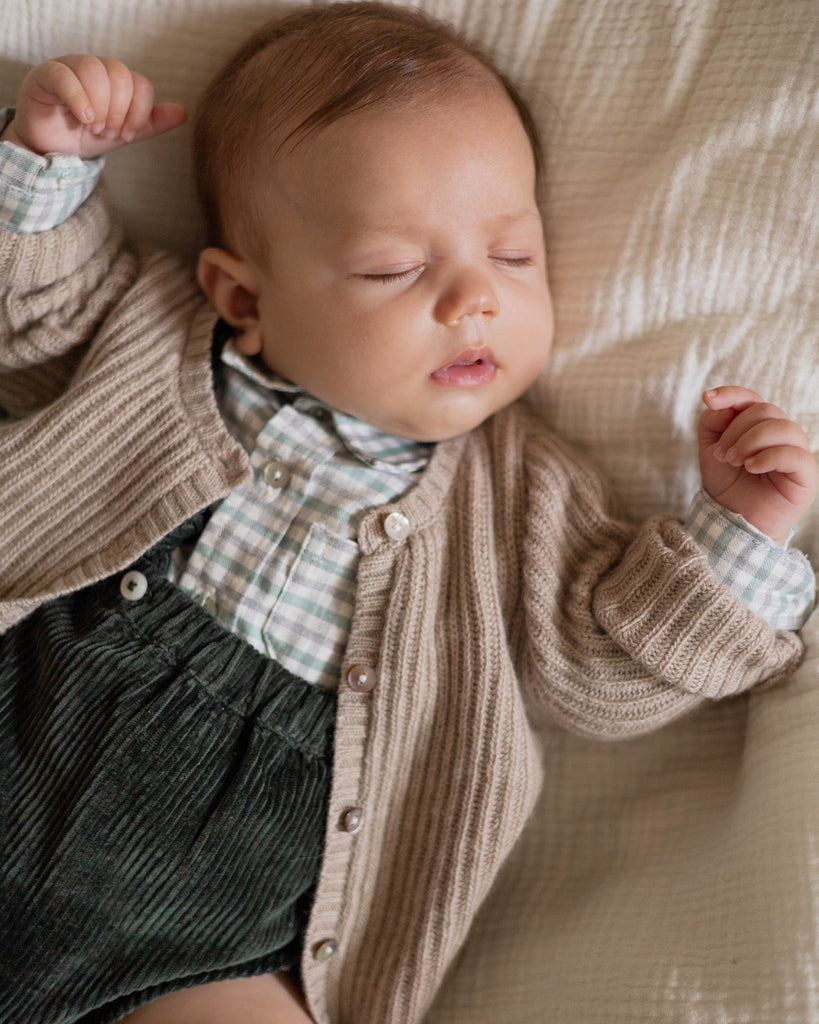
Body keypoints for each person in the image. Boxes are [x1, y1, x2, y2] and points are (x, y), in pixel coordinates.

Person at [0, 3, 815, 1022]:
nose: (474, 299)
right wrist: (47, 160)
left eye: (513, 255)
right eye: (397, 267)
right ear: (244, 301)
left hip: (211, 937)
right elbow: (31, 314)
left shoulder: (519, 495)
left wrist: (738, 532)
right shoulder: (156, 338)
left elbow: (605, 675)